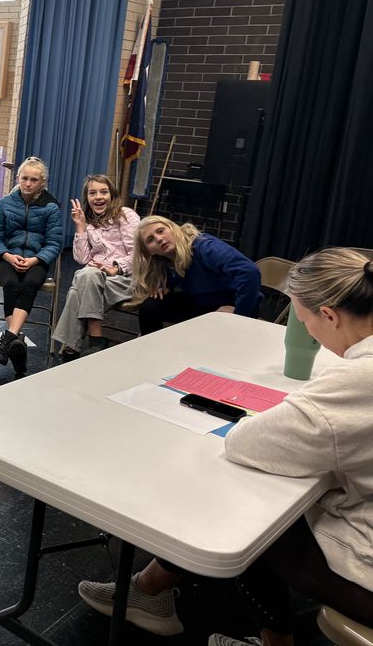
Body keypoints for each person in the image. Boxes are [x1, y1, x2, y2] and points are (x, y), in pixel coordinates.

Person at [78, 248, 373, 643]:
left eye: (304, 323)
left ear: (330, 316)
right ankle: (149, 589)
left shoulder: (359, 379)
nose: (311, 336)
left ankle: (264, 638)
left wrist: (280, 417)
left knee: (246, 514)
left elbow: (247, 443)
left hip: (365, 569)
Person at [0, 156, 62, 377]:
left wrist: (35, 260)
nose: (28, 183)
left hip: (36, 260)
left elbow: (54, 243)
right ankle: (15, 340)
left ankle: (8, 338)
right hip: (8, 258)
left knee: (30, 283)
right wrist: (8, 256)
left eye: (34, 180)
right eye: (24, 178)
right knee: (10, 283)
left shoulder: (51, 207)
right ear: (18, 178)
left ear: (42, 182)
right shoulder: (4, 204)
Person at [52, 174, 139, 359]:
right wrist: (81, 227)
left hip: (124, 278)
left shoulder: (126, 215)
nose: (98, 197)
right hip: (95, 277)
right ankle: (93, 342)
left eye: (103, 192)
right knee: (88, 276)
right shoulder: (88, 221)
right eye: (93, 193)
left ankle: (77, 344)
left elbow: (139, 254)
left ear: (112, 195)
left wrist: (116, 268)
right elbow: (82, 258)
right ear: (87, 197)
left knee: (80, 287)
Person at [132, 216, 262, 335]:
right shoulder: (164, 261)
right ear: (149, 251)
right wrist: (161, 287)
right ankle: (153, 349)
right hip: (202, 302)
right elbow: (172, 281)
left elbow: (249, 271)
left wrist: (239, 315)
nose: (159, 239)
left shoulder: (204, 246)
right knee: (150, 307)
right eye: (150, 240)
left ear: (173, 229)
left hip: (233, 303)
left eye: (161, 231)